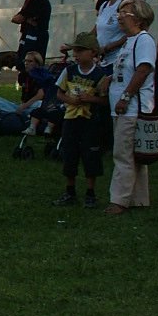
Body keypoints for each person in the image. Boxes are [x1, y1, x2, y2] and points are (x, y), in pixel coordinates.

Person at [107, 0, 157, 215]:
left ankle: (119, 200)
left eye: (124, 13)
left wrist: (126, 97)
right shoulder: (129, 41)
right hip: (123, 107)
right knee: (135, 156)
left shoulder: (143, 41)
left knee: (123, 154)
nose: (119, 17)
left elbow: (143, 70)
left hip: (131, 108)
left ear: (138, 17)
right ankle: (138, 198)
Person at [52, 32, 109, 208]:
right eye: (75, 51)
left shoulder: (100, 75)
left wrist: (90, 99)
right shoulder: (69, 71)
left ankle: (90, 193)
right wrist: (71, 100)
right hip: (70, 119)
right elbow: (59, 93)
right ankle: (70, 191)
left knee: (90, 155)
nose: (76, 55)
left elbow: (105, 99)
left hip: (90, 121)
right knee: (70, 154)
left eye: (80, 51)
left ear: (93, 53)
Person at [12, 0, 51, 69]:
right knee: (21, 62)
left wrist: (23, 18)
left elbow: (18, 19)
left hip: (35, 36)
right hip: (27, 34)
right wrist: (27, 19)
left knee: (31, 64)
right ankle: (25, 83)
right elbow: (16, 18)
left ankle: (32, 83)